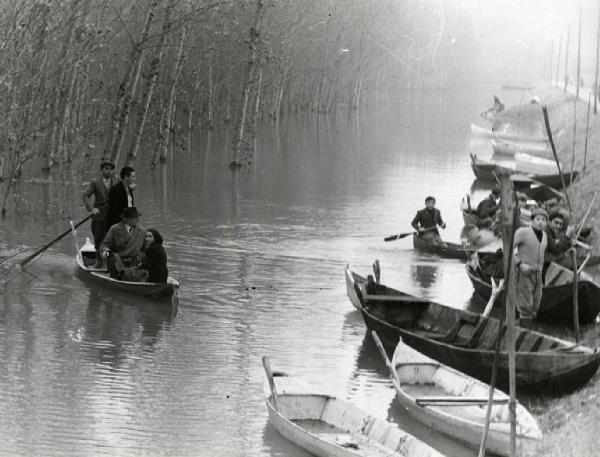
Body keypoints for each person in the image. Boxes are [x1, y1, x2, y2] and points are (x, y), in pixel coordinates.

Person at [510, 207, 548, 327]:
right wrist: (520, 264)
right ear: (532, 221)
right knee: (525, 306)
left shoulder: (545, 236)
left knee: (535, 304)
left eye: (543, 219)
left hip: (538, 274)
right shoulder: (523, 232)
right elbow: (508, 248)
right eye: (538, 219)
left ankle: (526, 328)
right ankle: (524, 332)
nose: (540, 222)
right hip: (524, 273)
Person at [82, 161, 118, 268]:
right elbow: (85, 196)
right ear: (102, 170)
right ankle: (99, 261)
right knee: (98, 239)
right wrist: (92, 209)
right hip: (99, 215)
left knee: (111, 239)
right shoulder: (95, 182)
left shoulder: (117, 180)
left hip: (113, 216)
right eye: (106, 169)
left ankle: (109, 261)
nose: (109, 171)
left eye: (111, 169)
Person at [100, 207, 145, 280]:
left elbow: (145, 248)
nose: (137, 219)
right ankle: (116, 277)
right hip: (119, 260)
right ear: (125, 219)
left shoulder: (142, 231)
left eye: (137, 217)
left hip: (136, 261)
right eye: (134, 217)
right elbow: (104, 245)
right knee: (111, 257)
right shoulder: (114, 229)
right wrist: (107, 254)